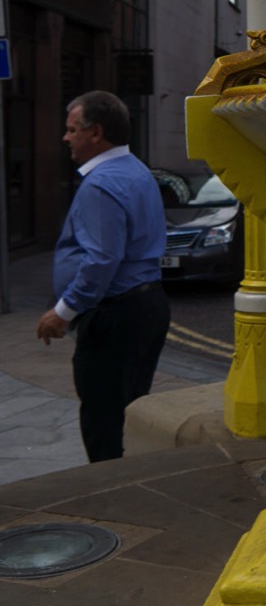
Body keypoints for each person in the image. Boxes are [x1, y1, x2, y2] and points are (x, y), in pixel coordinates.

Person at [36, 91, 170, 461]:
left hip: (115, 315)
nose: (66, 138)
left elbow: (100, 261)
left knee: (102, 421)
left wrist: (61, 312)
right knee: (129, 410)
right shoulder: (137, 171)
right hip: (146, 306)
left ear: (95, 133)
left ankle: (109, 503)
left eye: (72, 129)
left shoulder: (100, 184)